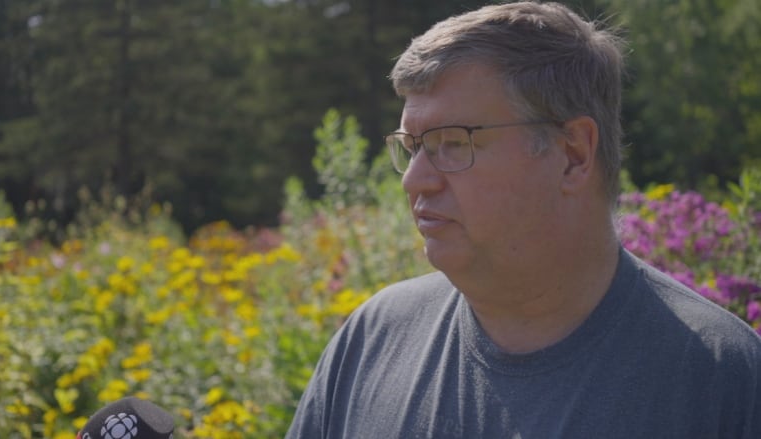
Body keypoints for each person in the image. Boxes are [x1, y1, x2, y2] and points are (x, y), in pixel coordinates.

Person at [285, 2, 761, 438]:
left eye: (453, 142)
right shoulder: (372, 341)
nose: (414, 181)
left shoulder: (720, 378)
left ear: (573, 154)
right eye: (411, 147)